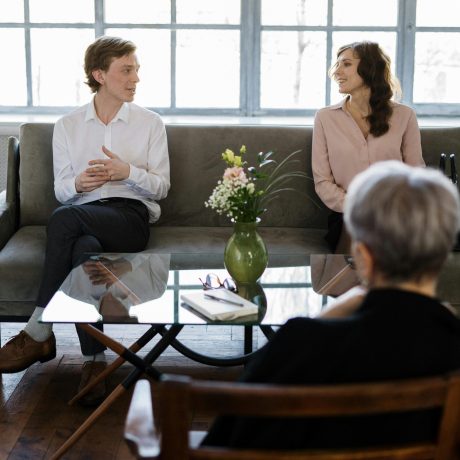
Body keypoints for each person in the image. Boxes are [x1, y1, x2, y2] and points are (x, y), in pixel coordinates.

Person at [203, 160, 460, 450]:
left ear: (362, 255)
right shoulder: (450, 345)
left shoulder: (299, 345)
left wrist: (322, 317)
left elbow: (224, 440)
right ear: (443, 254)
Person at [0, 36, 170, 405]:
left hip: (130, 219)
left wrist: (127, 172)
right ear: (99, 74)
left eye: (136, 70)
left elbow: (160, 188)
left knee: (63, 220)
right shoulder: (68, 125)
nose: (135, 78)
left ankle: (38, 328)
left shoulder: (150, 123)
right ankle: (94, 361)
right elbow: (63, 190)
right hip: (83, 215)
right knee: (84, 249)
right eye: (126, 70)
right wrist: (80, 183)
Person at [312, 41, 425, 252]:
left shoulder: (404, 116)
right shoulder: (325, 118)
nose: (336, 72)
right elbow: (322, 181)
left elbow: (416, 175)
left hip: (394, 214)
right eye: (337, 65)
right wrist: (358, 207)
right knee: (360, 232)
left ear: (370, 68)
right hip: (347, 214)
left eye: (346, 64)